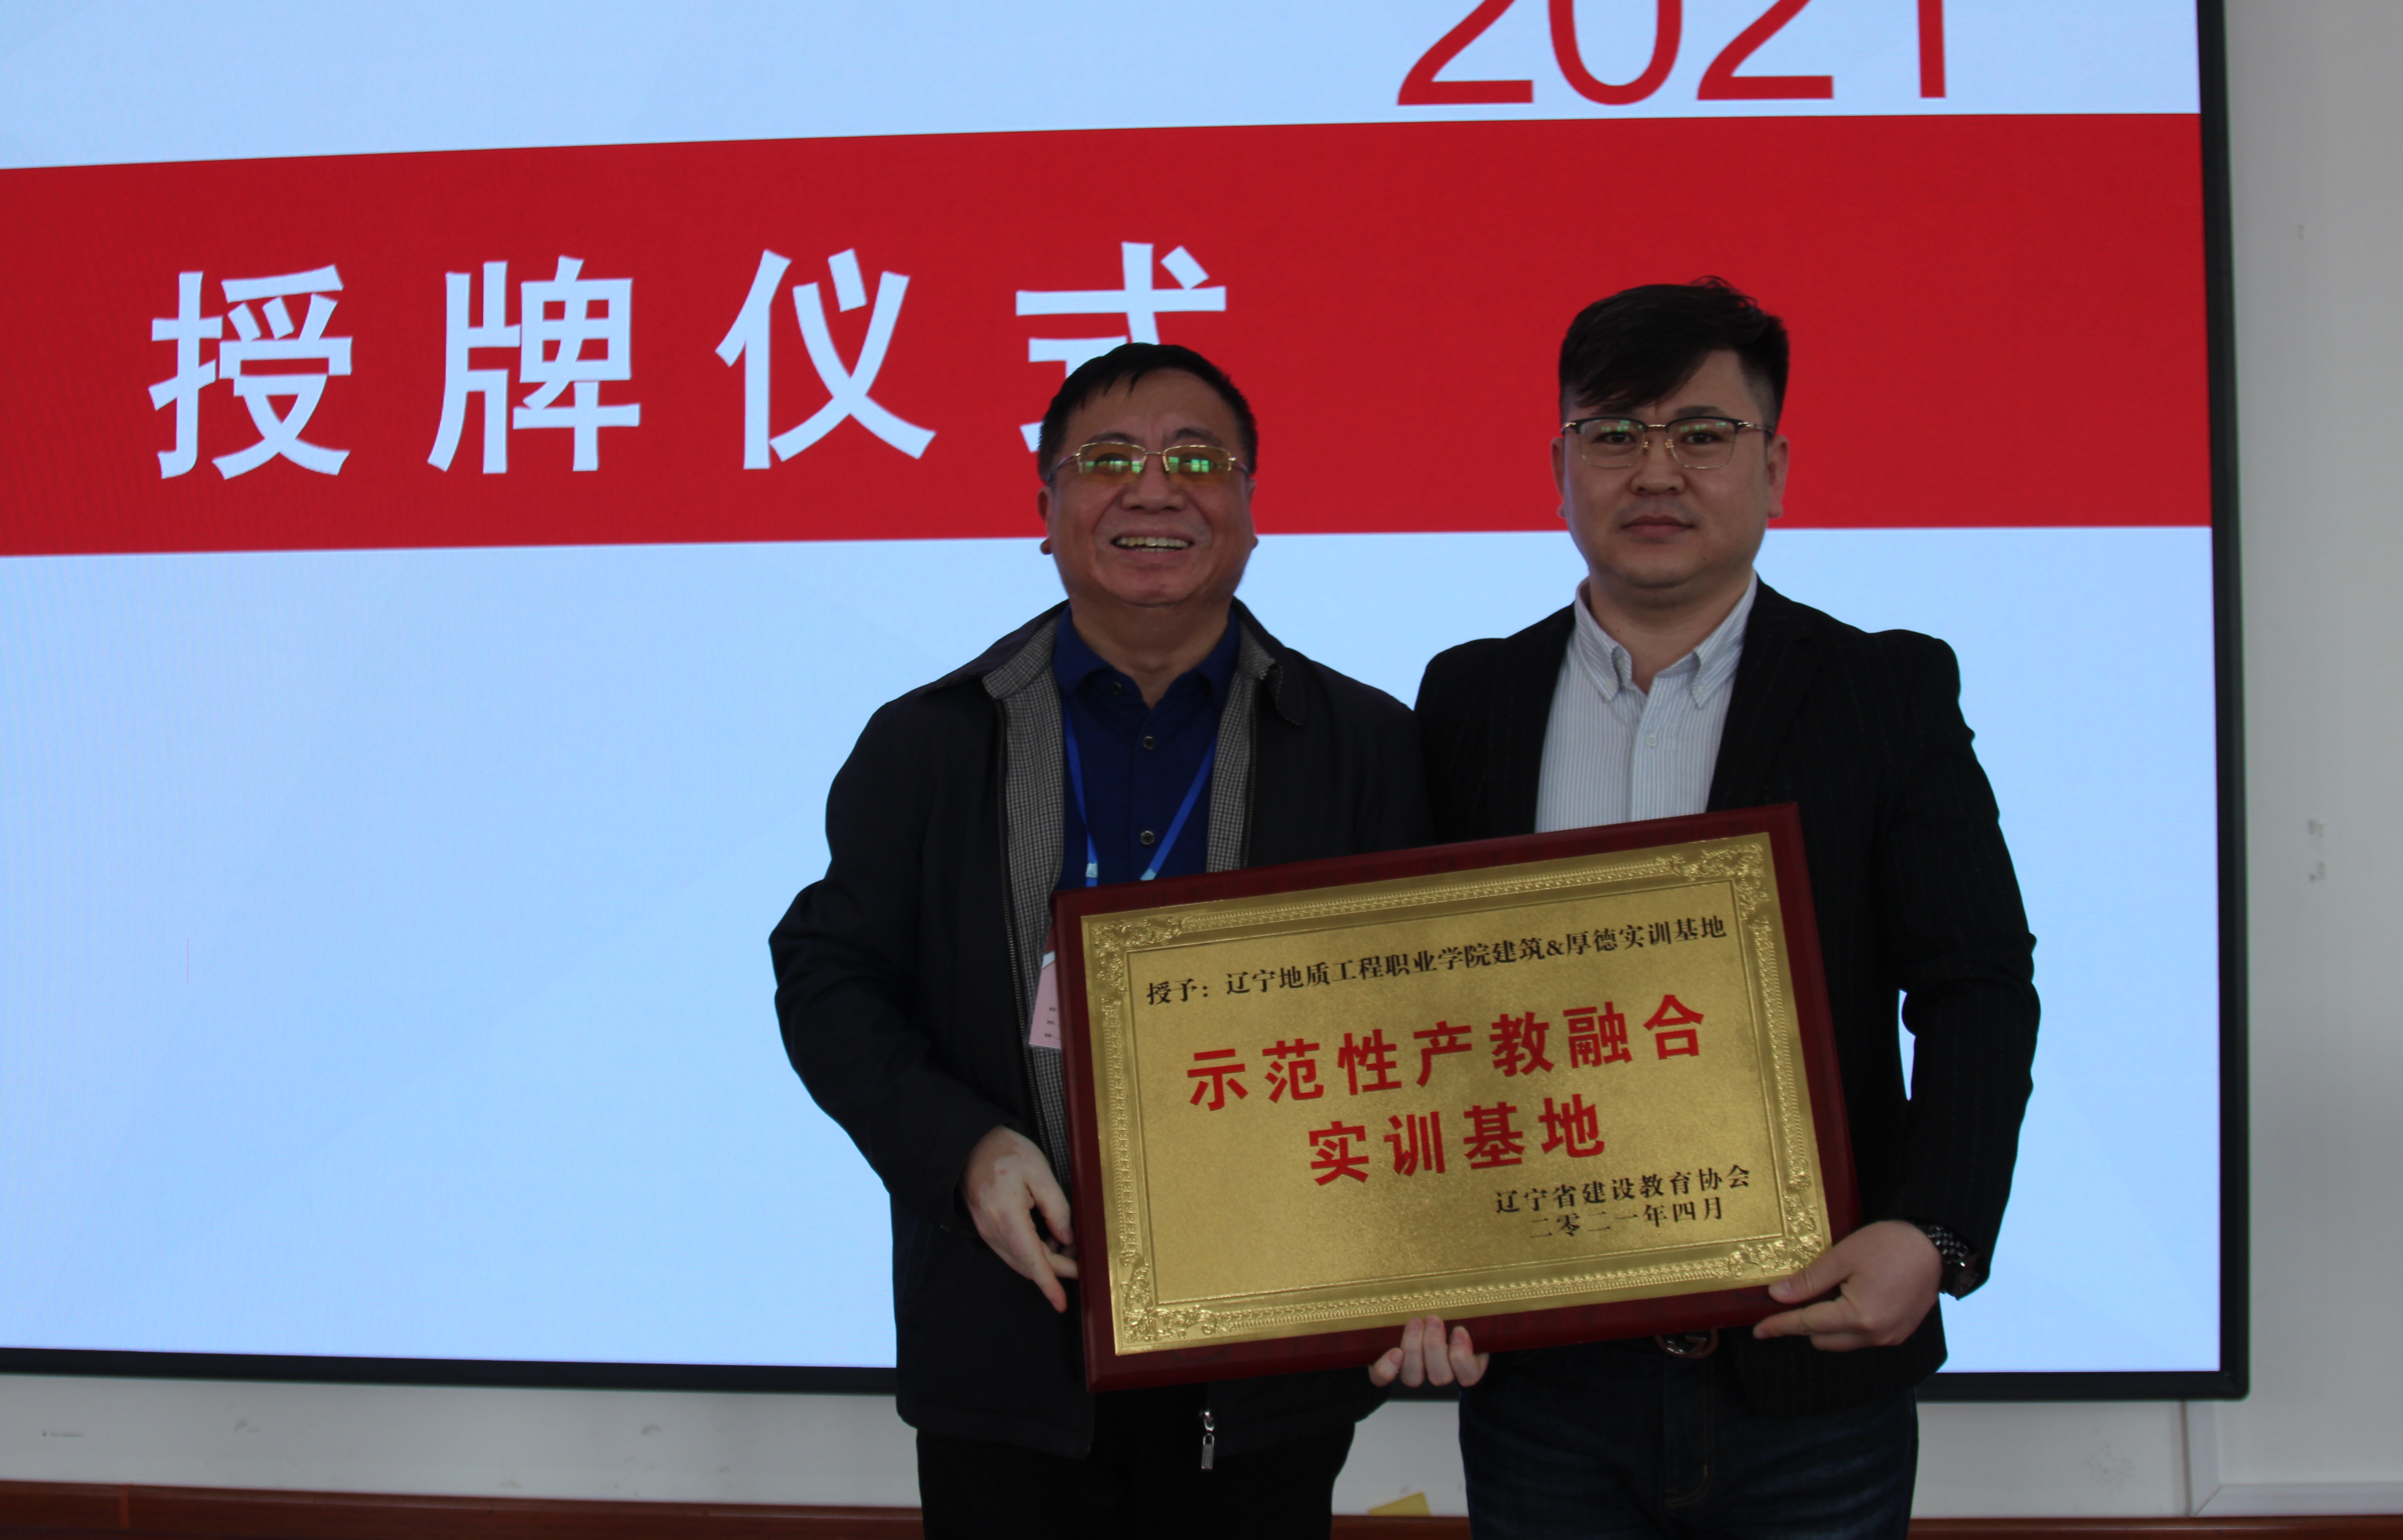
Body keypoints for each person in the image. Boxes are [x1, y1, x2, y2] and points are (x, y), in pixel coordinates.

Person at [1399, 279, 2040, 1538]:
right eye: (1614, 433)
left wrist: (1937, 1234)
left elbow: (1976, 982)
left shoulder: (1882, 691)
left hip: (1809, 1367)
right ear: (1560, 467)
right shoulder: (1470, 699)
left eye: (1703, 433)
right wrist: (1399, 1265)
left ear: (1776, 469)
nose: (1657, 471)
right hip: (1545, 1382)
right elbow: (1416, 1002)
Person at [770, 342, 1429, 1539]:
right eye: (1108, 459)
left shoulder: (1363, 746)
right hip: (1006, 1352)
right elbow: (831, 979)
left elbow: (1428, 1016)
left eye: (1199, 460)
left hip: (1266, 1359)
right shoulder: (931, 743)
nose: (1155, 488)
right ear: (1046, 511)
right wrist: (966, 1151)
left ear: (1252, 508)